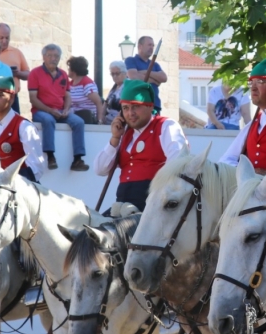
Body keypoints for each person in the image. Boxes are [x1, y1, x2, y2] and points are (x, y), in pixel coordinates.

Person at [93, 79, 188, 211]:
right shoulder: (124, 133)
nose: (130, 113)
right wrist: (115, 138)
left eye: (135, 107)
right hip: (121, 207)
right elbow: (99, 170)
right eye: (125, 108)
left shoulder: (166, 126)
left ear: (149, 106)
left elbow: (178, 163)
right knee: (92, 229)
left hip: (152, 208)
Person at [29, 44, 88, 171]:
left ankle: (78, 159)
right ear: (44, 57)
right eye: (49, 55)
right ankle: (50, 157)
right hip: (41, 111)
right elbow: (33, 98)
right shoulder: (35, 73)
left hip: (61, 111)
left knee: (79, 122)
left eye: (56, 56)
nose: (53, 58)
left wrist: (67, 109)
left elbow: (67, 96)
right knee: (48, 120)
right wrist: (50, 110)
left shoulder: (63, 74)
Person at [124, 36, 167, 112]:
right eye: (149, 45)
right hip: (138, 104)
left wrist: (144, 72)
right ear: (140, 46)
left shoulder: (155, 64)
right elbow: (134, 76)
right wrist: (155, 81)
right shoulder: (131, 60)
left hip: (154, 104)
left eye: (153, 45)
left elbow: (164, 78)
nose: (151, 47)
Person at [66, 56, 105, 124]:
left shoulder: (87, 84)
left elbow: (98, 102)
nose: (68, 70)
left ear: (74, 70)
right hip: (73, 117)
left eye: (69, 68)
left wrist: (99, 120)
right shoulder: (70, 84)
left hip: (86, 120)